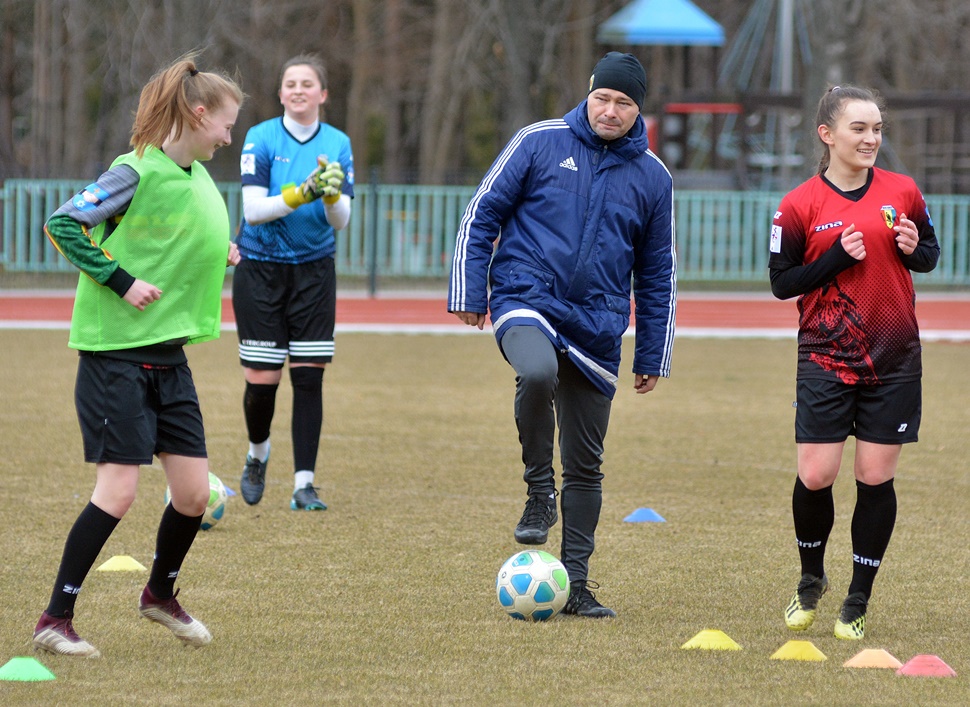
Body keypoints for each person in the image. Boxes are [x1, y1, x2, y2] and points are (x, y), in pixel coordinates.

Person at [448, 52, 676, 618]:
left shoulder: (653, 176)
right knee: (537, 370)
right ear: (588, 93)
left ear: (637, 110)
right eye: (603, 97)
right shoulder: (538, 141)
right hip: (527, 295)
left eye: (624, 103)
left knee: (587, 462)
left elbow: (657, 272)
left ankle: (576, 585)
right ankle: (536, 490)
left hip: (598, 327)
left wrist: (651, 350)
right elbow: (481, 215)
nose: (611, 110)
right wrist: (470, 292)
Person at [32, 55, 244, 658]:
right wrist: (120, 279)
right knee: (119, 491)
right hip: (115, 356)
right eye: (226, 124)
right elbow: (65, 224)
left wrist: (218, 252)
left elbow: (173, 236)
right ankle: (55, 617)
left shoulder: (197, 177)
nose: (230, 136)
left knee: (194, 495)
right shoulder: (134, 171)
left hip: (169, 357)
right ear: (199, 115)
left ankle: (158, 595)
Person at [770, 85, 939, 640]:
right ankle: (810, 578)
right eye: (859, 129)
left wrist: (915, 248)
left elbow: (930, 256)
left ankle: (858, 598)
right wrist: (837, 256)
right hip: (825, 355)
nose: (871, 139)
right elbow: (781, 283)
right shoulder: (797, 205)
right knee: (817, 474)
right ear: (828, 135)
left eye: (877, 129)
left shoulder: (904, 190)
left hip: (893, 358)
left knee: (875, 476)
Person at [233, 53, 354, 511]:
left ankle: (304, 484)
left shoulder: (338, 143)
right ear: (281, 93)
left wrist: (329, 195)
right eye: (290, 84)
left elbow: (341, 221)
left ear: (322, 94)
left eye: (307, 84)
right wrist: (300, 192)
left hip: (315, 272)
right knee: (262, 381)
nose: (298, 90)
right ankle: (257, 454)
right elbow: (253, 211)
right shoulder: (261, 137)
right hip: (261, 269)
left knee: (308, 380)